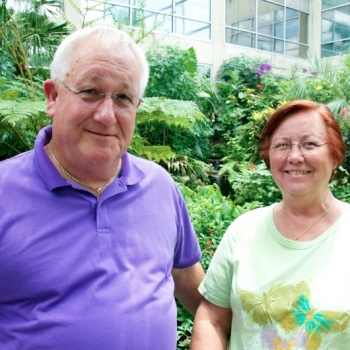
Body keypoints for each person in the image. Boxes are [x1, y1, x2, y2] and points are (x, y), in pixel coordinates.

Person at [0, 25, 204, 350]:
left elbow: (192, 286)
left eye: (123, 97)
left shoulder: (160, 187)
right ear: (53, 97)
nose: (107, 115)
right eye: (91, 92)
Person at [191, 100, 350, 350]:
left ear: (335, 154)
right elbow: (213, 319)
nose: (295, 156)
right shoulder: (243, 231)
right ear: (269, 157)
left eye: (309, 144)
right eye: (283, 145)